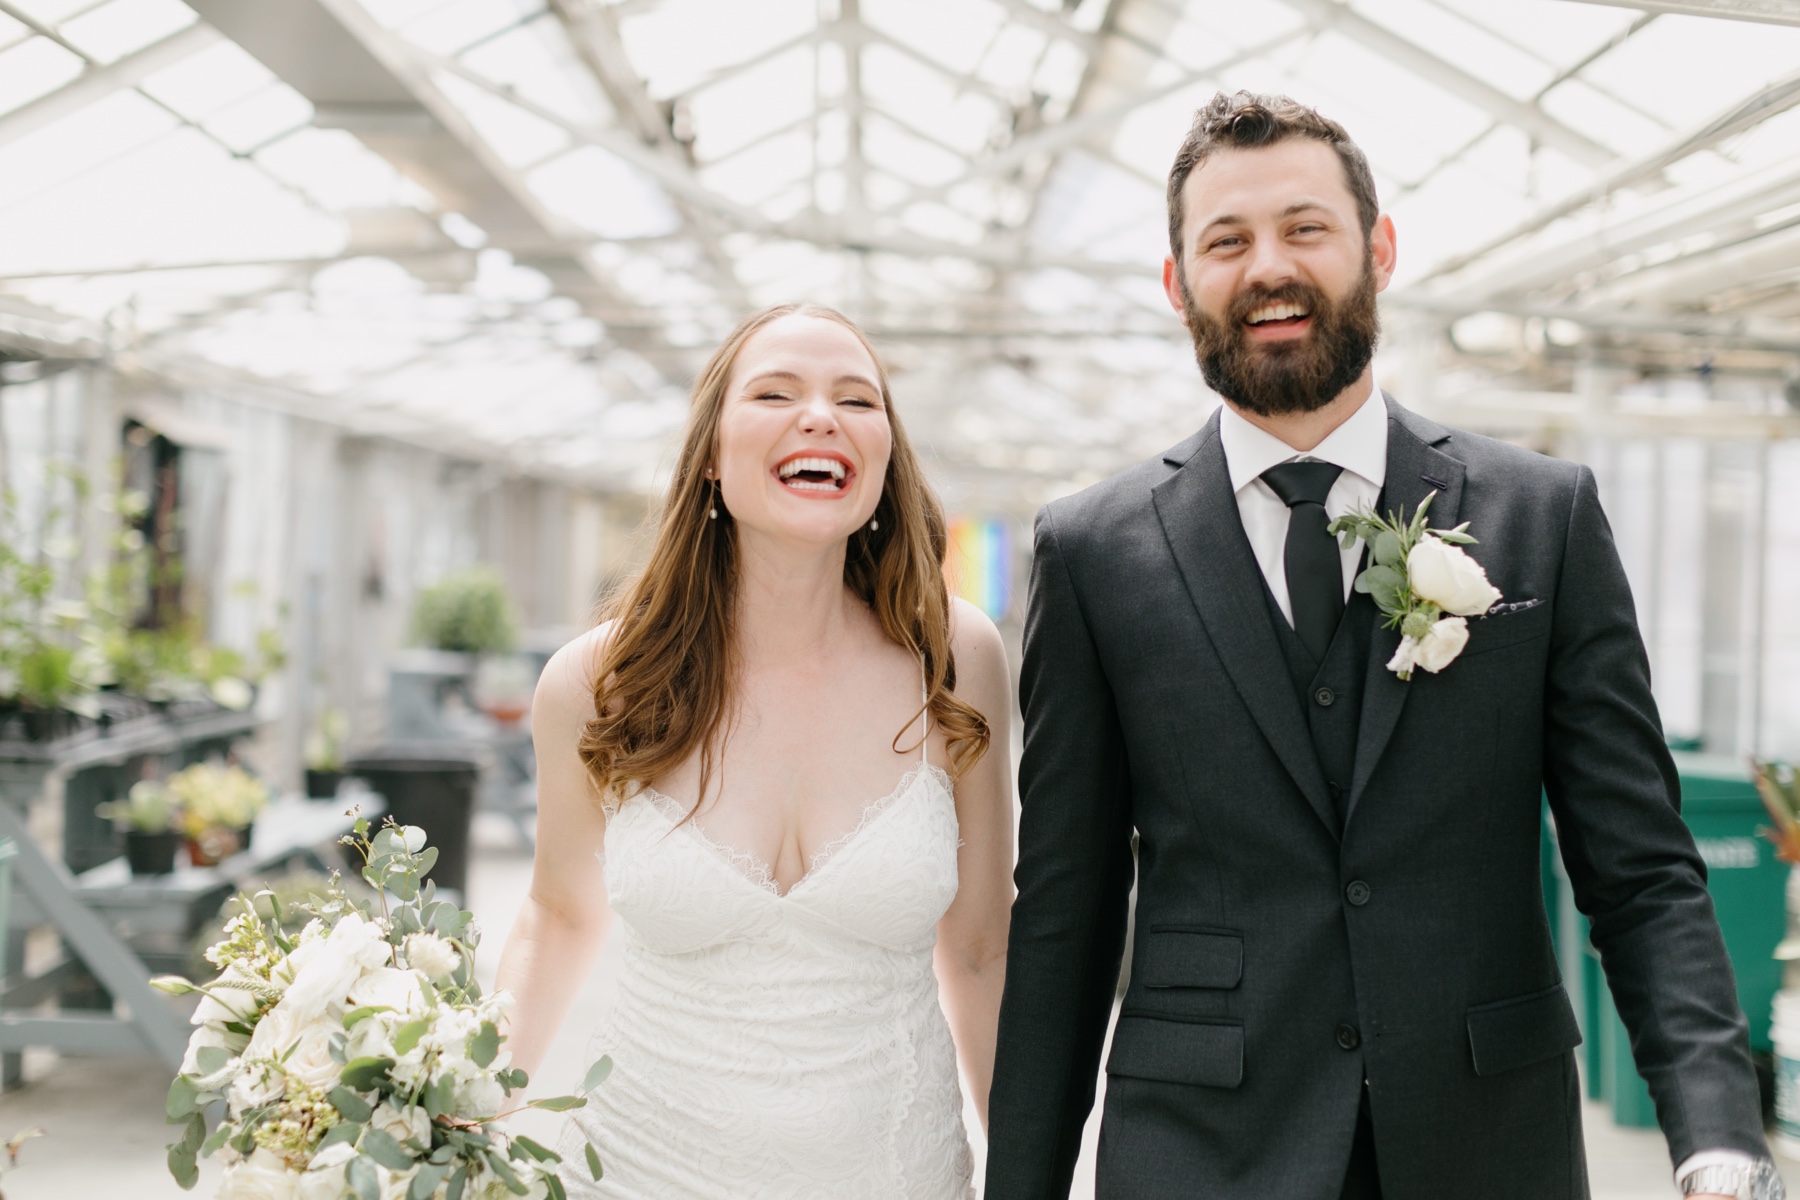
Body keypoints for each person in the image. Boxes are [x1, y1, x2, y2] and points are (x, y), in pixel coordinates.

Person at [983, 92, 1779, 1200]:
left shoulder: (1539, 516)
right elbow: (1066, 908)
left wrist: (1716, 1135)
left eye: (1305, 228)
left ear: (1379, 250)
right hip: (1200, 1153)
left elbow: (1639, 868)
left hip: (1484, 1143)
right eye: (1226, 241)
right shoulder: (1094, 550)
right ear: (1177, 286)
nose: (1269, 267)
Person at [493, 303, 1014, 1199]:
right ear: (710, 454)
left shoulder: (956, 658)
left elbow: (980, 947)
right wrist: (449, 1108)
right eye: (776, 392)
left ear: (884, 459)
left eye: (858, 400)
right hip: (640, 1177)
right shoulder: (593, 682)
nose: (821, 415)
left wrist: (1028, 1170)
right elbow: (558, 915)